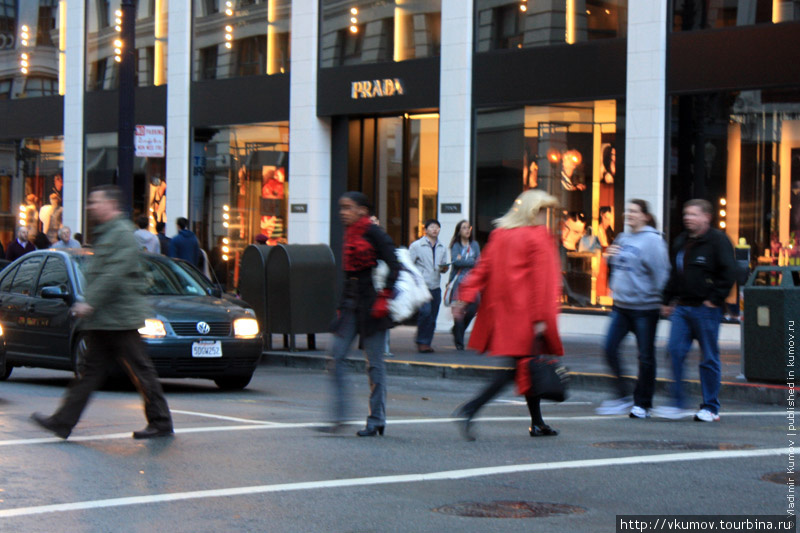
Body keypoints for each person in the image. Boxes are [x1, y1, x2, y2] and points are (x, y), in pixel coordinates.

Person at [30, 185, 173, 440]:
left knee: (139, 369)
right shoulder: (107, 232)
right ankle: (62, 422)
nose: (91, 207)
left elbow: (114, 273)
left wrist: (90, 302)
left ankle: (161, 421)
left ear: (111, 205)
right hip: (106, 318)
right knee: (91, 372)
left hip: (119, 317)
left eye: (96, 202)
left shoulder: (121, 233)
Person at [451, 190, 564, 440]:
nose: (547, 216)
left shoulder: (500, 235)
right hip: (528, 318)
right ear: (534, 212)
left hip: (507, 318)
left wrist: (464, 296)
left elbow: (482, 270)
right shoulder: (537, 237)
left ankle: (537, 423)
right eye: (544, 211)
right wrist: (540, 319)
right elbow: (541, 282)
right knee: (516, 370)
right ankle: (470, 409)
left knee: (525, 368)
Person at [321, 192, 400, 437]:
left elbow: (395, 265)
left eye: (348, 208)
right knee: (335, 358)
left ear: (363, 210)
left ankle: (376, 419)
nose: (343, 212)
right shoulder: (349, 234)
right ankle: (339, 417)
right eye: (341, 207)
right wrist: (340, 306)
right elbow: (348, 274)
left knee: (374, 365)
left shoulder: (373, 232)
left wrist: (385, 296)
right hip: (351, 305)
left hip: (372, 304)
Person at [654, 199, 736, 422]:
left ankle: (710, 407)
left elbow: (730, 272)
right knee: (674, 351)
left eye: (693, 214)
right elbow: (674, 273)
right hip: (682, 308)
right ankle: (678, 402)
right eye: (686, 214)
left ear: (706, 217)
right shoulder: (681, 241)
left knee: (708, 357)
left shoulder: (718, 241)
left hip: (706, 309)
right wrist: (666, 299)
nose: (687, 218)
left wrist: (714, 299)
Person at [595, 200, 670, 418]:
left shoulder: (653, 241)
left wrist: (661, 300)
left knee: (645, 357)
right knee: (609, 348)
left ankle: (643, 403)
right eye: (627, 211)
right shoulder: (623, 237)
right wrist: (610, 258)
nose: (628, 214)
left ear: (645, 216)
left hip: (645, 309)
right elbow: (618, 267)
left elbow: (661, 274)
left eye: (634, 211)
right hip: (621, 306)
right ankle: (623, 395)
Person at [408, 219, 449, 353]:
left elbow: (444, 265)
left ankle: (426, 342)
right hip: (422, 285)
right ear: (425, 230)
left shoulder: (442, 247)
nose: (435, 229)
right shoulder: (417, 246)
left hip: (435, 285)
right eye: (432, 227)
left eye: (437, 227)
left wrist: (444, 269)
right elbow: (409, 264)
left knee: (432, 316)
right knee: (425, 313)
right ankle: (422, 341)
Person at [448, 220, 480, 351]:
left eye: (468, 228)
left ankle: (456, 330)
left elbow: (479, 262)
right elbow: (456, 262)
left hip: (473, 282)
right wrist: (470, 261)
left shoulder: (475, 244)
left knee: (473, 308)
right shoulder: (455, 245)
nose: (467, 230)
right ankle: (459, 342)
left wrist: (464, 260)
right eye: (464, 228)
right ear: (459, 231)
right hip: (459, 282)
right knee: (459, 312)